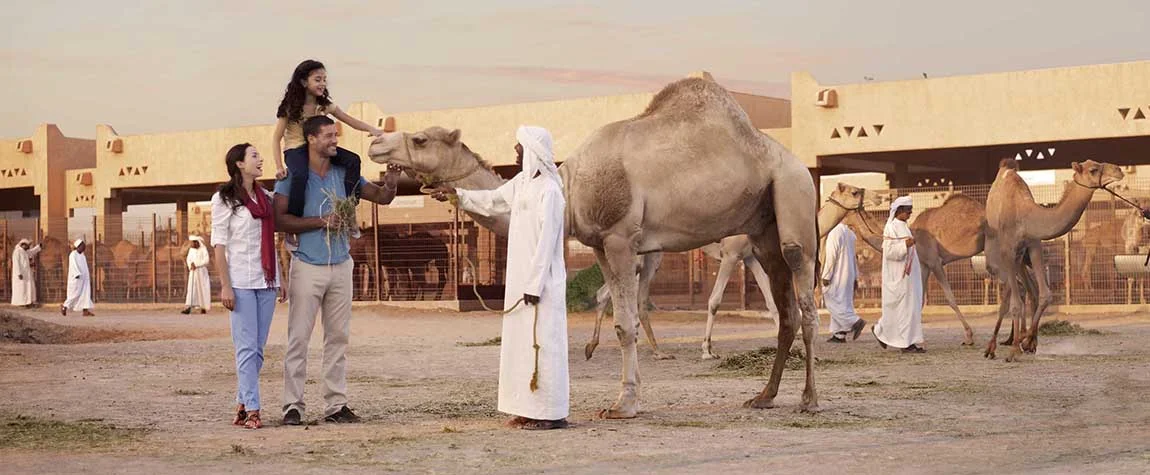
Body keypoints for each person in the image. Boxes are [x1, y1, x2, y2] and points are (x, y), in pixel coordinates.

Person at [430, 125, 570, 430]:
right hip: (521, 281)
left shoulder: (550, 191)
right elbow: (492, 201)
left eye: (519, 148)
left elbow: (547, 242)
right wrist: (456, 195)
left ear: (533, 151)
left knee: (543, 345)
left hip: (541, 284)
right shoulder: (521, 184)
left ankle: (549, 413)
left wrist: (535, 285)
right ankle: (524, 407)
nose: (515, 152)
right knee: (519, 346)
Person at [275, 116, 400, 426]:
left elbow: (383, 197)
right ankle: (293, 406)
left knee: (338, 338)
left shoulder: (346, 174)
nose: (335, 140)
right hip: (307, 266)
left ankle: (336, 405)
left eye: (336, 135)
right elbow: (280, 220)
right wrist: (320, 222)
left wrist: (392, 179)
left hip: (342, 265)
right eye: (329, 135)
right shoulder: (292, 176)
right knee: (299, 339)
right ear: (311, 139)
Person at [211, 143, 286, 430]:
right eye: (254, 156)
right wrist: (225, 286)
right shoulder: (224, 199)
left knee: (257, 350)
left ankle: (242, 403)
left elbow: (274, 240)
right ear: (240, 164)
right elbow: (219, 245)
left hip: (266, 281)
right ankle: (254, 410)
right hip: (240, 282)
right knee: (245, 348)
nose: (260, 160)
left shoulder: (266, 197)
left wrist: (282, 279)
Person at [872, 196, 926, 353]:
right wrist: (905, 245)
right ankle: (904, 343)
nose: (910, 214)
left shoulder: (904, 226)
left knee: (911, 308)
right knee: (902, 310)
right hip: (898, 277)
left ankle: (908, 340)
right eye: (908, 211)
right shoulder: (891, 227)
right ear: (899, 211)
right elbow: (889, 252)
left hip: (910, 278)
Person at [821, 222, 866, 343]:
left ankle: (855, 322)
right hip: (849, 274)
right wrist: (855, 277)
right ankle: (839, 334)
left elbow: (831, 256)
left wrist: (826, 276)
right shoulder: (850, 233)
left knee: (831, 301)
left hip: (837, 275)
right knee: (843, 303)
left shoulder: (835, 232)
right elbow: (853, 258)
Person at [62, 239, 94, 317]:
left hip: (84, 279)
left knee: (85, 294)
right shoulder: (73, 254)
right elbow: (73, 266)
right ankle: (64, 306)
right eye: (82, 245)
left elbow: (85, 267)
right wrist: (77, 274)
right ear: (78, 246)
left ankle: (85, 311)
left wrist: (87, 276)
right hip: (76, 278)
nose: (84, 247)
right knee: (74, 294)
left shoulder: (82, 255)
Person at [181, 236, 211, 314]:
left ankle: (203, 307)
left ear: (197, 242)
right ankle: (188, 307)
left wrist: (196, 264)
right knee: (191, 289)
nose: (191, 244)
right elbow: (188, 259)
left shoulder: (203, 249)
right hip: (193, 272)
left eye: (193, 242)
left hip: (201, 272)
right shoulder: (191, 250)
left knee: (202, 289)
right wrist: (191, 265)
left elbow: (206, 260)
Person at [11, 239, 41, 308]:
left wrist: (38, 246)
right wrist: (19, 273)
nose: (28, 247)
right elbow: (16, 264)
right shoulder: (17, 252)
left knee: (27, 288)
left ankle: (28, 302)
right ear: (23, 245)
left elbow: (32, 252)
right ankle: (21, 303)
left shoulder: (24, 252)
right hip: (20, 274)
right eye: (27, 245)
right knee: (21, 289)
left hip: (26, 273)